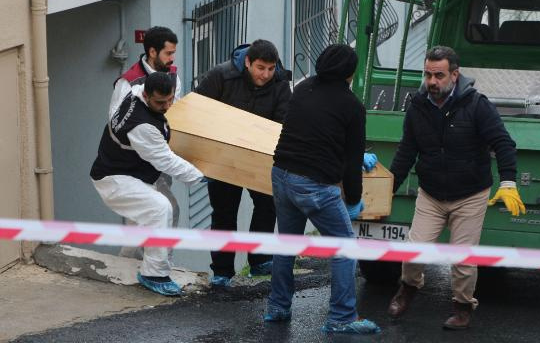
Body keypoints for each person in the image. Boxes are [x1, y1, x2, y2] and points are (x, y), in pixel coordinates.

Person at [386, 46, 526, 329]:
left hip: (470, 194)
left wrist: (508, 181)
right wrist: (386, 189)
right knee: (414, 251)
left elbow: (503, 143)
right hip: (432, 194)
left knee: (463, 260)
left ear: (454, 75)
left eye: (439, 75)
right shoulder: (417, 106)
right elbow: (406, 152)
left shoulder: (477, 105)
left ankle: (463, 306)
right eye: (428, 75)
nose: (432, 82)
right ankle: (409, 288)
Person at [264, 44, 380, 335]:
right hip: (314, 184)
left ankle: (278, 307)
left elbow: (314, 131)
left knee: (286, 243)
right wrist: (353, 199)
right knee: (344, 248)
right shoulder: (352, 106)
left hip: (281, 174)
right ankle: (342, 317)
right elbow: (352, 162)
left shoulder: (303, 89)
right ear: (350, 73)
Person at [90, 72, 204, 296]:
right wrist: (198, 176)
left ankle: (130, 261)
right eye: (160, 102)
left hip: (132, 172)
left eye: (170, 99)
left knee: (166, 210)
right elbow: (165, 160)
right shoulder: (141, 125)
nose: (167, 106)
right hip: (115, 179)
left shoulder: (134, 93)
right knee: (159, 209)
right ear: (146, 95)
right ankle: (154, 273)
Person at [194, 39, 292, 286]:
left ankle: (259, 260)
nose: (266, 75)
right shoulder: (221, 75)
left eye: (270, 69)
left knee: (268, 206)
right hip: (223, 156)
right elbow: (197, 109)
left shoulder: (280, 82)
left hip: (261, 157)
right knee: (224, 215)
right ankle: (222, 272)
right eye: (260, 68)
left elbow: (283, 121)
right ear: (247, 62)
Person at [110, 26, 182, 258]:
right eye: (168, 53)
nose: (172, 59)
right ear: (152, 51)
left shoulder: (172, 76)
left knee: (143, 220)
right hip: (136, 162)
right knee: (167, 211)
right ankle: (159, 268)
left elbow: (175, 114)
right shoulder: (128, 83)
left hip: (159, 159)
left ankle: (135, 266)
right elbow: (116, 123)